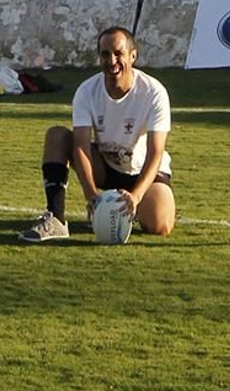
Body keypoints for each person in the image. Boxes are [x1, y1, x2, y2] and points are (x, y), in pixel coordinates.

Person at [18, 24, 175, 243]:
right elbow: (80, 145)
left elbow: (155, 152)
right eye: (105, 54)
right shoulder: (87, 90)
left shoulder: (154, 91)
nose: (112, 61)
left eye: (119, 54)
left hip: (143, 172)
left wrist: (137, 196)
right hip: (106, 166)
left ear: (133, 56)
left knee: (160, 225)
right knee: (57, 135)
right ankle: (56, 218)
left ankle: (132, 209)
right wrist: (91, 195)